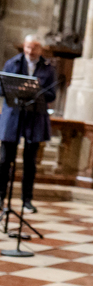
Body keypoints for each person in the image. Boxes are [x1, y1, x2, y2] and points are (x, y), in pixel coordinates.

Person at [0, 34, 57, 214]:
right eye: (28, 47)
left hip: (35, 117)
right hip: (14, 115)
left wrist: (35, 91)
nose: (31, 51)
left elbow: (52, 94)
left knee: (30, 162)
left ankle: (27, 200)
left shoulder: (48, 68)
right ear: (24, 46)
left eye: (34, 47)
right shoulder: (13, 63)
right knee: (4, 160)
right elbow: (2, 88)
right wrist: (18, 89)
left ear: (40, 49)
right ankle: (0, 198)